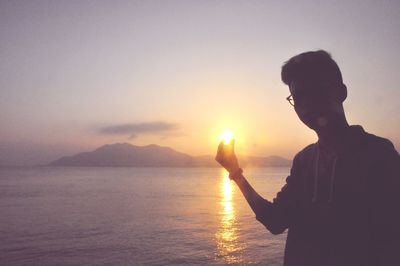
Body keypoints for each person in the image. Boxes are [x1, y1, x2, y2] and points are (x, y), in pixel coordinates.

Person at [215, 50, 400, 266]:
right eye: (298, 97)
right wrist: (235, 172)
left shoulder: (378, 155)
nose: (306, 104)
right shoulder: (304, 161)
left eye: (315, 91)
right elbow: (276, 220)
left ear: (341, 92)